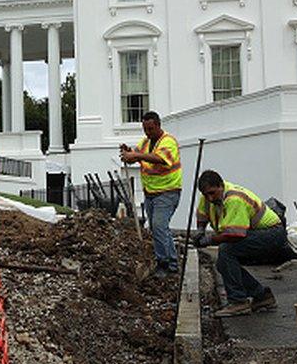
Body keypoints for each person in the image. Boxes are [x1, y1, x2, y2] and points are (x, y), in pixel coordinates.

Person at [193, 170, 286, 317]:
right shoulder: (207, 197)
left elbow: (235, 234)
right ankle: (261, 295)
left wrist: (209, 239)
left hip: (272, 234)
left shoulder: (234, 199)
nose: (210, 198)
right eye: (206, 195)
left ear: (221, 186)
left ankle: (238, 302)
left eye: (212, 193)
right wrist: (200, 230)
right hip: (257, 233)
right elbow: (202, 214)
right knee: (224, 263)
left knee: (227, 251)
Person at [119, 111, 182, 278]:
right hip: (151, 193)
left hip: (168, 191)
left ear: (158, 125)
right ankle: (173, 263)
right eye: (145, 129)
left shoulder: (168, 142)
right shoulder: (145, 143)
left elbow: (161, 159)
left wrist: (136, 155)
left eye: (151, 128)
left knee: (159, 226)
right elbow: (136, 157)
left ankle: (164, 263)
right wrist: (128, 153)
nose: (148, 132)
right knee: (158, 228)